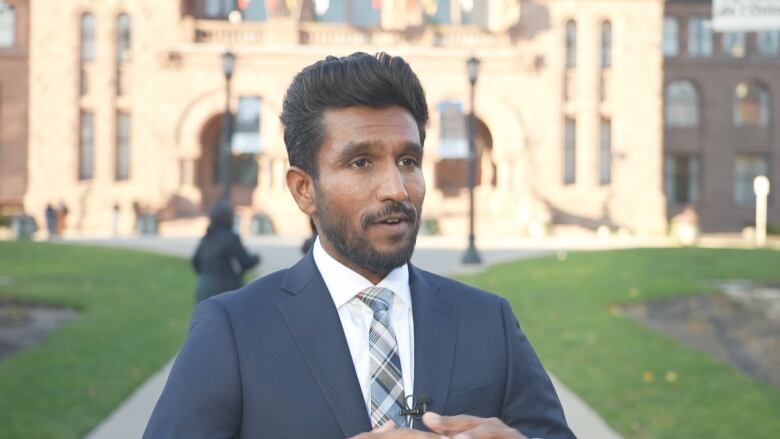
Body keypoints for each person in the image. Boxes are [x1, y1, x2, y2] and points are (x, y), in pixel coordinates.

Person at [145, 53, 574, 439]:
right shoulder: (232, 331)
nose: (396, 189)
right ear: (303, 190)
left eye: (408, 161)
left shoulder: (488, 321)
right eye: (361, 163)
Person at [191, 200, 260, 303]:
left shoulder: (207, 238)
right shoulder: (231, 238)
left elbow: (195, 262)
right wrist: (256, 258)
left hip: (204, 290)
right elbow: (245, 261)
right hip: (226, 290)